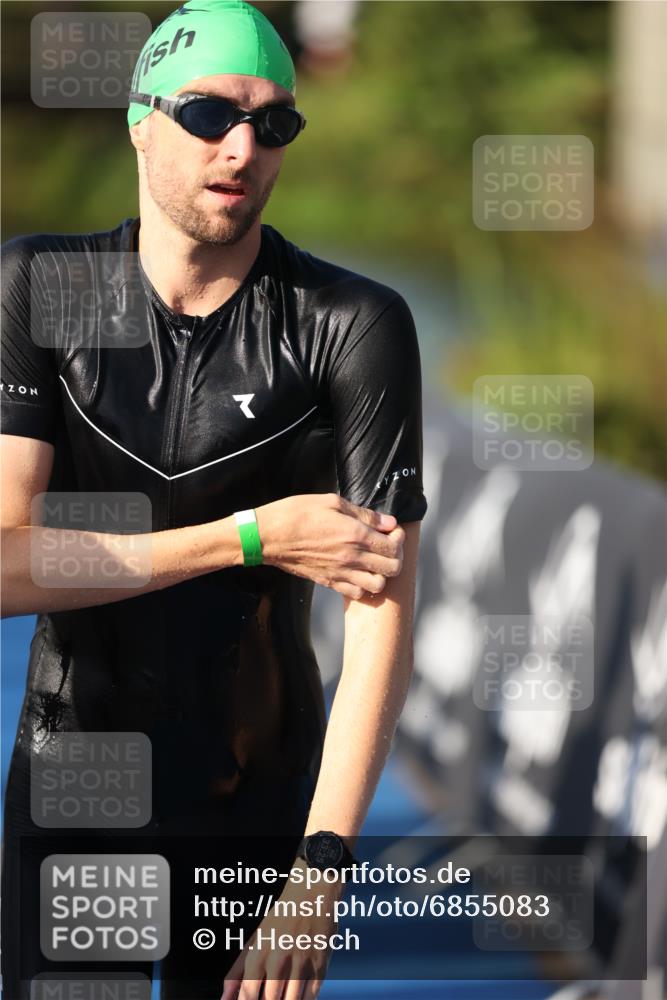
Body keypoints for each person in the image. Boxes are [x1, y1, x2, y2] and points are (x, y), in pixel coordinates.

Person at [0, 1, 427, 997]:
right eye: (207, 115)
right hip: (78, 777)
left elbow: (382, 615)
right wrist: (247, 537)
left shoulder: (347, 323)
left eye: (273, 123)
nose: (242, 147)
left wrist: (320, 869)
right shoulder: (43, 286)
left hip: (255, 799)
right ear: (139, 121)